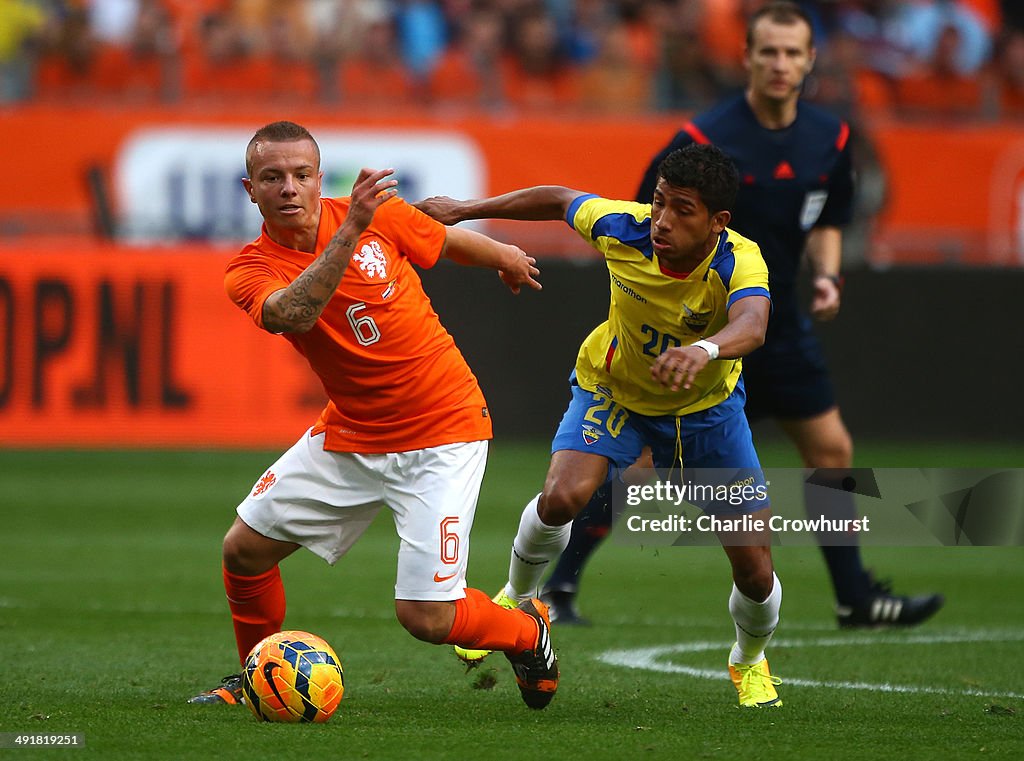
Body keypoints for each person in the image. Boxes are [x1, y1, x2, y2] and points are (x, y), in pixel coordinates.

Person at [540, 1, 943, 630]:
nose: (780, 64)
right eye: (768, 51)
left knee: (831, 450)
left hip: (775, 326)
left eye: (792, 52)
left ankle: (853, 596)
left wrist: (829, 276)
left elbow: (829, 216)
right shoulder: (703, 137)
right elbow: (653, 217)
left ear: (810, 60)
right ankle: (560, 585)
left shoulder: (830, 136)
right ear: (747, 58)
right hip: (697, 333)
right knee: (637, 464)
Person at [187, 121, 558, 711]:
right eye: (272, 178)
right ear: (249, 189)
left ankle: (525, 631)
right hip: (354, 433)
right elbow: (294, 314)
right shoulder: (251, 269)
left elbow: (439, 240)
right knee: (244, 550)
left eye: (301, 175)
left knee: (428, 619)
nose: (289, 188)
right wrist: (352, 230)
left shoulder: (372, 215)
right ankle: (257, 675)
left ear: (317, 178)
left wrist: (505, 256)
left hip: (442, 429)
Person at [419, 143, 785, 709]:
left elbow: (753, 324)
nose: (662, 220)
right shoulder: (626, 227)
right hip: (615, 391)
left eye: (682, 210)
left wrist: (706, 350)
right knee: (563, 496)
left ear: (718, 222)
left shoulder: (740, 260)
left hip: (706, 415)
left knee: (756, 569)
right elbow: (560, 199)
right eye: (659, 202)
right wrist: (466, 209)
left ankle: (749, 659)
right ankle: (517, 598)